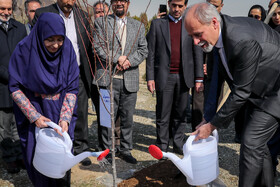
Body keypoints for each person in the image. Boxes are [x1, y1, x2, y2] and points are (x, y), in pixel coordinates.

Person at [185, 3, 280, 186]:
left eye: (198, 34)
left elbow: (240, 92)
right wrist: (207, 117)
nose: (195, 42)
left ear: (213, 23)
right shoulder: (215, 39)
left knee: (251, 141)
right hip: (259, 90)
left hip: (275, 91)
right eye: (191, 36)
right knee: (259, 146)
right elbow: (214, 84)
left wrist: (212, 126)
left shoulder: (240, 40)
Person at [9, 12, 79, 186]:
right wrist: (34, 116)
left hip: (61, 109)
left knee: (60, 156)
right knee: (37, 157)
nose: (56, 45)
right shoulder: (24, 50)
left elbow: (72, 88)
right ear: (40, 35)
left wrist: (65, 118)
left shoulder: (68, 49)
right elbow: (15, 87)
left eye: (59, 39)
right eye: (50, 40)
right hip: (36, 110)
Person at [33, 0, 94, 166]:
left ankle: (80, 150)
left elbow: (87, 46)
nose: (70, 1)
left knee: (80, 112)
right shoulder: (43, 14)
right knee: (54, 114)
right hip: (52, 74)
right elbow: (36, 43)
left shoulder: (83, 16)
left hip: (78, 73)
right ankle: (55, 151)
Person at [93, 0, 148, 164]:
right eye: (116, 0)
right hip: (107, 78)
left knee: (127, 119)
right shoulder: (101, 23)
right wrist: (118, 58)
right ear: (112, 3)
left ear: (128, 4)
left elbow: (143, 49)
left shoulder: (138, 26)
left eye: (122, 1)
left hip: (129, 79)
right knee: (106, 119)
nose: (119, 3)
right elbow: (98, 47)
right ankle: (107, 150)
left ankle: (125, 149)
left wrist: (129, 61)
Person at [146, 0, 204, 154]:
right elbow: (150, 53)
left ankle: (178, 146)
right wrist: (150, 77)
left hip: (184, 77)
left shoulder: (190, 24)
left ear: (185, 6)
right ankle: (162, 147)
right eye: (174, 5)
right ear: (169, 4)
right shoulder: (157, 25)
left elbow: (197, 52)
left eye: (180, 6)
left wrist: (199, 78)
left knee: (181, 114)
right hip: (165, 77)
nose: (176, 9)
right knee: (163, 114)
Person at [0, 0, 27, 174]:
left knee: (19, 124)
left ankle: (19, 156)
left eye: (9, 8)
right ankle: (9, 159)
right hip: (2, 86)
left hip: (19, 86)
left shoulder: (20, 28)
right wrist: (10, 76)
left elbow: (26, 54)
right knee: (4, 125)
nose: (6, 12)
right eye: (2, 8)